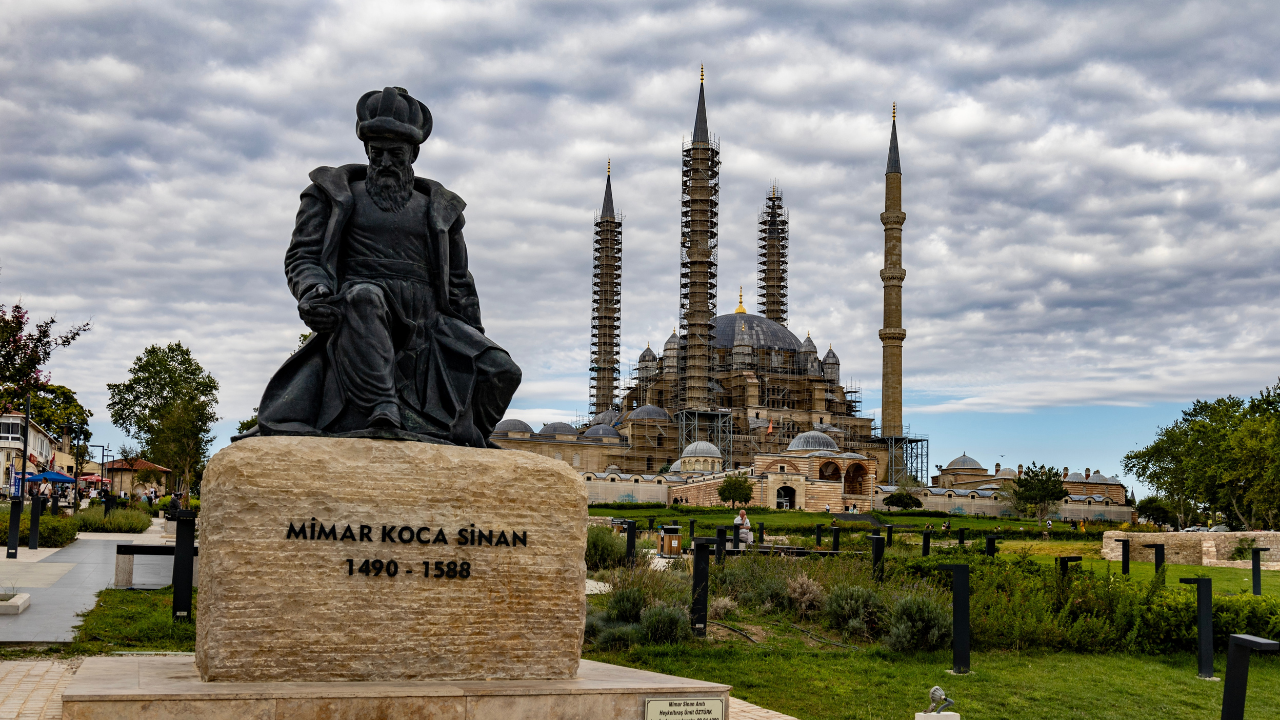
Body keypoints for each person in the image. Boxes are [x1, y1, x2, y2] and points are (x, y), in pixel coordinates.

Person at [240, 86, 521, 448]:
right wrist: (315, 292)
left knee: (502, 370)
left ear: (413, 154)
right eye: (378, 153)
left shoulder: (441, 210)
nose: (386, 162)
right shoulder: (331, 195)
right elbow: (303, 257)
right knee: (363, 297)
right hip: (361, 315)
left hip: (429, 321)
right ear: (367, 151)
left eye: (396, 154)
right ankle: (382, 409)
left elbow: (459, 283)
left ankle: (464, 434)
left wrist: (475, 340)